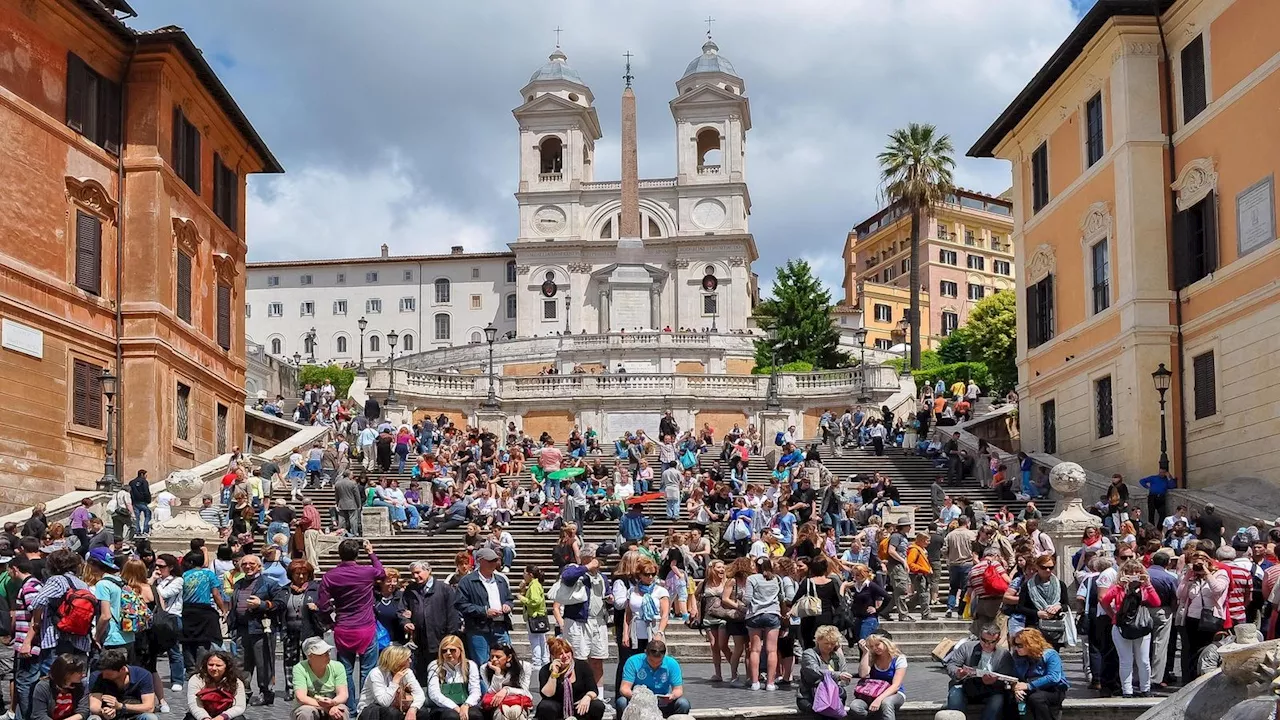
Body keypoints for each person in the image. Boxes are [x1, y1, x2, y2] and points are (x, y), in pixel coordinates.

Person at [319, 539, 385, 715]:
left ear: (339, 554)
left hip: (343, 628)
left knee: (345, 671)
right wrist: (371, 552)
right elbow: (381, 572)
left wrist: (330, 622)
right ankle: (365, 709)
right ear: (357, 554)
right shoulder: (366, 572)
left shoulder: (330, 576)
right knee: (367, 670)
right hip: (366, 627)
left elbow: (323, 605)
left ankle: (349, 708)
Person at [226, 554, 282, 705]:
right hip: (241, 629)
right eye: (244, 564)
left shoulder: (269, 583)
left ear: (259, 566)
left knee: (264, 663)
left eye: (252, 564)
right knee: (241, 663)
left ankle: (266, 693)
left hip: (261, 629)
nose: (248, 566)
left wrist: (263, 604)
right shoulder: (238, 583)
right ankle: (244, 691)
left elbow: (280, 603)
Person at [402, 561, 461, 686]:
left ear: (428, 571)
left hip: (440, 639)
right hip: (420, 642)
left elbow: (452, 614)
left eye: (418, 573)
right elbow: (402, 610)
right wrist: (406, 622)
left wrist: (450, 638)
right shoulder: (410, 590)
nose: (415, 576)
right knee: (422, 674)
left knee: (442, 672)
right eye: (413, 574)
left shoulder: (445, 589)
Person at [456, 548, 514, 664]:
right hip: (478, 629)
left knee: (505, 661)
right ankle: (485, 683)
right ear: (480, 561)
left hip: (500, 626)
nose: (494, 563)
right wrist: (484, 611)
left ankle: (502, 682)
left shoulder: (501, 580)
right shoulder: (467, 581)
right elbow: (460, 604)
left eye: (495, 561)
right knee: (482, 663)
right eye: (490, 561)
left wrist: (508, 605)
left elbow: (509, 598)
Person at [942, 624, 1012, 720]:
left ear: (998, 639)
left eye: (992, 642)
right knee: (955, 693)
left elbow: (1007, 675)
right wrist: (958, 673)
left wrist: (994, 681)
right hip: (966, 685)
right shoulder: (966, 647)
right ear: (979, 636)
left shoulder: (1004, 654)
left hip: (991, 689)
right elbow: (952, 665)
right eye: (984, 640)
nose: (987, 645)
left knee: (998, 699)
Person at [282, 560, 331, 696]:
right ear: (291, 575)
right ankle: (291, 689)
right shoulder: (285, 590)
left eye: (304, 574)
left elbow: (327, 607)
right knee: (290, 660)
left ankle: (313, 688)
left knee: (313, 660)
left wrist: (318, 608)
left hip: (311, 630)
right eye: (297, 574)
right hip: (291, 630)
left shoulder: (317, 588)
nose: (301, 577)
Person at [616, 639, 690, 717]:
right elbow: (624, 688)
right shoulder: (633, 661)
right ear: (646, 653)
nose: (654, 664)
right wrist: (639, 697)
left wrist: (672, 696)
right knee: (622, 702)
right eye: (651, 661)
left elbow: (678, 689)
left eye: (659, 662)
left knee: (683, 703)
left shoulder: (672, 663)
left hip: (662, 703)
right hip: (640, 703)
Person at [535, 638, 604, 720]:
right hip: (557, 706)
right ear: (553, 657)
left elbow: (593, 690)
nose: (565, 656)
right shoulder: (546, 670)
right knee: (545, 706)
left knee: (597, 705)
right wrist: (554, 673)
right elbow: (547, 695)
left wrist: (587, 697)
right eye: (560, 654)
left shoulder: (582, 666)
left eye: (567, 652)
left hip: (579, 705)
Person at [1010, 629, 1069, 720]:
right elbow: (1014, 677)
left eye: (1020, 645)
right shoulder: (1017, 656)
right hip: (1027, 688)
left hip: (1052, 689)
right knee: (1010, 698)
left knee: (1036, 699)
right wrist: (1016, 688)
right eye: (1015, 645)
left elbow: (1053, 677)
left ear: (1030, 645)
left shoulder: (1050, 654)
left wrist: (1029, 686)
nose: (1016, 648)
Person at [356, 644, 425, 720]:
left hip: (397, 707)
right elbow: (384, 702)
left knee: (422, 712)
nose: (410, 661)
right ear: (398, 661)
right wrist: (395, 682)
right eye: (407, 659)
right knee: (392, 713)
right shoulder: (376, 673)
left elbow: (420, 694)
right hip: (371, 711)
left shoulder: (407, 672)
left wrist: (413, 709)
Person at [847, 635, 906, 720]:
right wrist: (865, 652)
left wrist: (879, 699)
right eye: (871, 646)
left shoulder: (899, 658)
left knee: (886, 703)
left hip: (894, 693)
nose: (875, 648)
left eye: (877, 644)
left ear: (886, 643)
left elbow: (896, 685)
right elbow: (863, 674)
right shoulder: (872, 657)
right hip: (871, 693)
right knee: (855, 707)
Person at [797, 625, 852, 716]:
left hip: (833, 696)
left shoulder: (837, 657)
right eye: (826, 643)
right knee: (820, 712)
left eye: (833, 643)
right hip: (809, 696)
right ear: (818, 640)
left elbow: (844, 680)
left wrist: (843, 679)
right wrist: (837, 675)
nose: (830, 646)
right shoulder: (809, 654)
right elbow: (814, 672)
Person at [87, 649, 157, 720]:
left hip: (134, 715)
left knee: (150, 717)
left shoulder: (142, 675)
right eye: (103, 672)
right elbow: (94, 706)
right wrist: (104, 712)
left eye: (108, 674)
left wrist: (121, 706)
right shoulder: (97, 676)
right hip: (108, 716)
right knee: (93, 718)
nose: (104, 676)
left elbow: (149, 707)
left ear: (122, 669)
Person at [292, 637, 350, 720]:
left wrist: (333, 703)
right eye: (322, 653)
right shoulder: (299, 668)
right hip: (308, 705)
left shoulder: (338, 667)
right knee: (305, 713)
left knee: (341, 711)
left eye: (327, 652)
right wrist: (326, 708)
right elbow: (301, 697)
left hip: (332, 703)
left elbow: (343, 694)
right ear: (310, 656)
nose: (327, 655)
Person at [425, 636, 480, 720]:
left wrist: (466, 705)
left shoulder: (470, 665)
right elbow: (434, 693)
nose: (448, 653)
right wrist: (454, 707)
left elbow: (475, 691)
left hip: (466, 702)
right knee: (451, 716)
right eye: (444, 651)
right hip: (443, 706)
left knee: (474, 715)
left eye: (452, 650)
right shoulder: (434, 665)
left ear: (460, 650)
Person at [185, 650, 247, 720]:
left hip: (225, 715)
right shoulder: (196, 679)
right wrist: (205, 718)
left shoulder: (236, 682)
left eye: (218, 665)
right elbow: (194, 705)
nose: (214, 668)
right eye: (210, 665)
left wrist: (222, 717)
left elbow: (239, 706)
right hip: (202, 715)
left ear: (227, 667)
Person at [480, 644, 532, 720]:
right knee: (502, 711)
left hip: (518, 702)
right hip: (497, 704)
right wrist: (497, 673)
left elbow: (524, 690)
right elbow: (492, 691)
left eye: (498, 657)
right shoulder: (484, 668)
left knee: (516, 710)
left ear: (509, 657)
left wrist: (506, 690)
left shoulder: (524, 666)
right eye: (492, 656)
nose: (494, 659)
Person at [30, 653, 88, 720]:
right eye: (79, 672)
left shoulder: (81, 686)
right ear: (67, 674)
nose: (83, 675)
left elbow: (83, 711)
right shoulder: (43, 687)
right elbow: (39, 715)